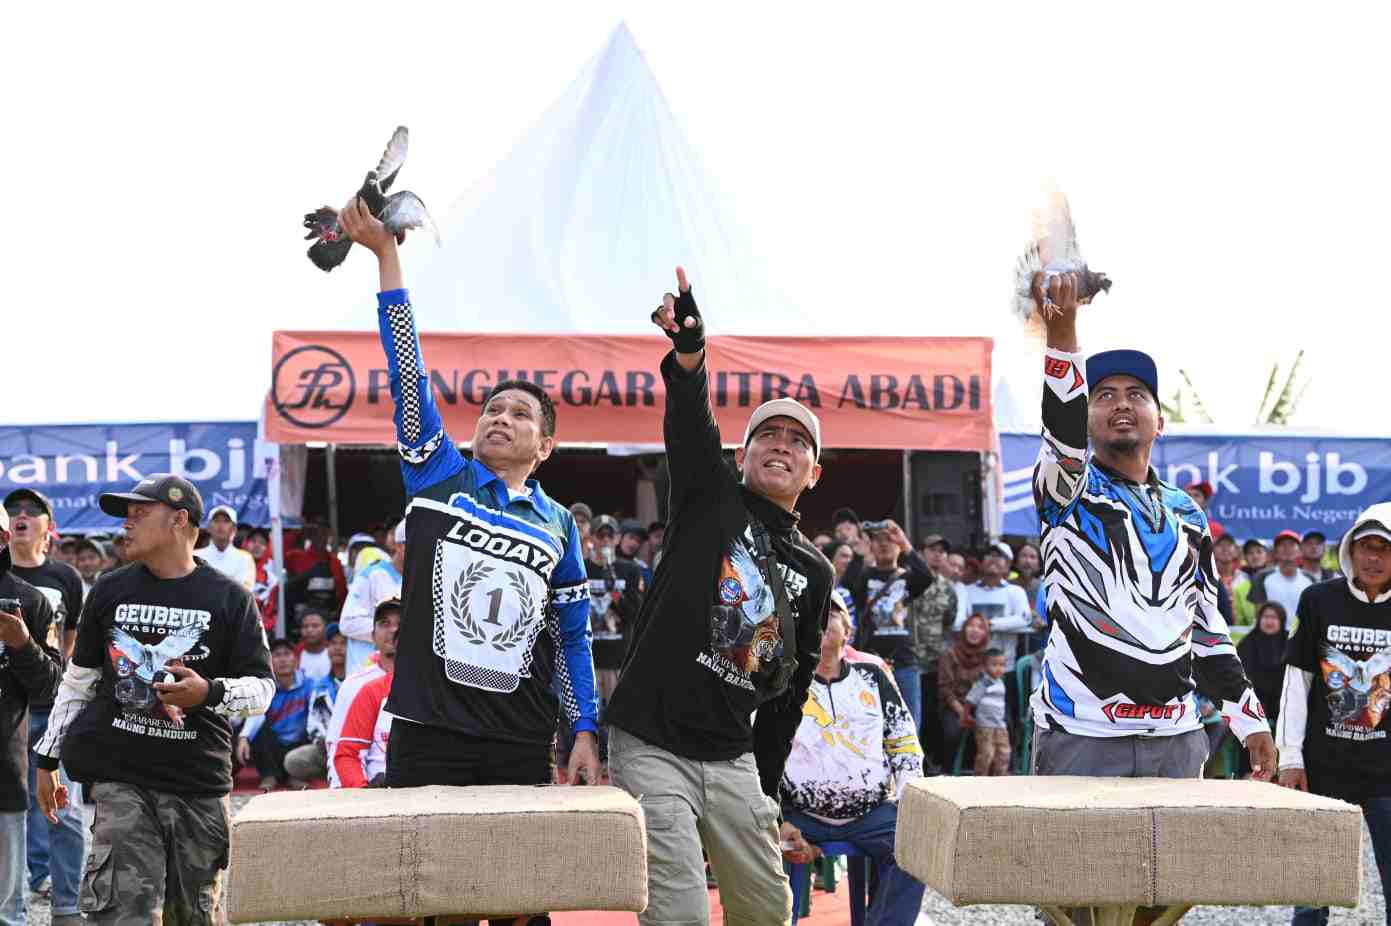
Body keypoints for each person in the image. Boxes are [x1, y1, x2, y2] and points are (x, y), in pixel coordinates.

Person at [339, 198, 601, 807]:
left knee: (517, 874)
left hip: (521, 737)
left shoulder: (559, 525)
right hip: (426, 730)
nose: (500, 418)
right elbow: (408, 375)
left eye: (519, 414)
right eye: (492, 410)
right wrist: (386, 257)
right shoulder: (437, 476)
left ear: (546, 446)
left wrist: (584, 729)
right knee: (426, 873)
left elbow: (572, 637)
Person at [605, 267, 834, 926]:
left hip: (734, 755)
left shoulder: (816, 571)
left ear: (813, 473)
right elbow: (689, 422)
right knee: (679, 914)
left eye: (797, 441)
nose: (781, 446)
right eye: (768, 436)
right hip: (650, 743)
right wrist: (689, 354)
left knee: (767, 911)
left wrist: (766, 787)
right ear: (741, 457)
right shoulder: (709, 500)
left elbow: (790, 691)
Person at [1027, 272, 1275, 781]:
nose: (1121, 403)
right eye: (1104, 395)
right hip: (1081, 734)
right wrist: (1063, 335)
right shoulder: (1066, 492)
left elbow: (1206, 625)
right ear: (1086, 419)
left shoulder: (1188, 513)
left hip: (1178, 738)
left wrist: (1249, 719)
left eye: (1137, 394)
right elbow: (1061, 433)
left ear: (1159, 421)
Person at [33, 474, 274, 923]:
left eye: (139, 513)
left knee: (194, 916)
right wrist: (47, 759)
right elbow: (79, 682)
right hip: (121, 777)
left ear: (179, 520)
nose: (127, 524)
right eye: (126, 515)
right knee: (121, 913)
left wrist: (208, 692)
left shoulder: (231, 598)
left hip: (198, 782)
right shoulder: (109, 589)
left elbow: (262, 690)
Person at [1277, 504, 1391, 926]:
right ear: (1349, 551)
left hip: (1386, 771)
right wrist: (1290, 758)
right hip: (1322, 766)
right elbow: (1296, 682)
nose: (1374, 557)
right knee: (1312, 887)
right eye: (1366, 547)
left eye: (1384, 548)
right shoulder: (1319, 600)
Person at [779, 601, 926, 926]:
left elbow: (904, 744)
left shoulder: (872, 677)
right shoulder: (784, 682)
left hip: (872, 813)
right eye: (816, 614)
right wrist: (778, 819)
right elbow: (762, 756)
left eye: (832, 614)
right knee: (756, 848)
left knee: (916, 849)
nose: (823, 620)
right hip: (799, 816)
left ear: (848, 633)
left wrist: (908, 803)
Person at [4, 489, 85, 921]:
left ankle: (67, 903)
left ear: (48, 526)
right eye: (14, 510)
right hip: (9, 712)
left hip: (53, 707)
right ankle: (33, 879)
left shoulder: (63, 578)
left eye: (32, 510)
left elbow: (69, 641)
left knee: (60, 806)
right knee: (15, 808)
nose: (22, 515)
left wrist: (55, 675)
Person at [0, 505, 63, 926]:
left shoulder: (28, 600)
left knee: (7, 910)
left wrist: (22, 644)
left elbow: (51, 687)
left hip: (4, 770)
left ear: (3, 538)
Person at [850, 519, 934, 729]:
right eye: (878, 540)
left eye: (889, 540)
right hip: (869, 661)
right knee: (871, 724)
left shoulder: (908, 579)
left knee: (909, 725)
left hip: (905, 661)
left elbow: (926, 576)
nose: (884, 544)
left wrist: (905, 543)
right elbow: (848, 583)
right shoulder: (864, 577)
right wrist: (859, 553)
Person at [327, 599, 400, 787]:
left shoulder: (428, 683)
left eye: (400, 623)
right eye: (385, 623)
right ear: (373, 635)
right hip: (371, 789)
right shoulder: (354, 685)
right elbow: (339, 749)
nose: (393, 629)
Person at [237, 639, 314, 790]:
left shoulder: (310, 685)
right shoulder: (265, 686)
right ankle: (269, 775)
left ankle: (296, 775)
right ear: (269, 662)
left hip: (299, 744)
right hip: (273, 746)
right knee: (258, 728)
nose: (283, 659)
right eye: (277, 655)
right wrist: (244, 737)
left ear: (296, 660)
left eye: (287, 654)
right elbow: (256, 715)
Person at [910, 534, 960, 768]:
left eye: (942, 551)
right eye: (933, 550)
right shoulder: (908, 581)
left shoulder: (948, 588)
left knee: (931, 714)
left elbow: (949, 621)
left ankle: (930, 763)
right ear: (922, 553)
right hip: (909, 659)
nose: (938, 555)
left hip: (934, 662)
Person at [586, 518, 644, 707]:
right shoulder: (581, 569)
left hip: (618, 659)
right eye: (600, 535)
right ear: (591, 538)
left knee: (615, 717)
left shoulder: (630, 570)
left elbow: (636, 614)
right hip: (588, 660)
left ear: (617, 539)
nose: (605, 540)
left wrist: (615, 592)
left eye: (610, 535)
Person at [339, 519, 405, 675]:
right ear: (399, 546)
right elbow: (347, 623)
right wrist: (391, 630)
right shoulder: (371, 574)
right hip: (365, 671)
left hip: (398, 672)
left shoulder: (420, 580)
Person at [284, 623, 349, 782]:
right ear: (327, 648)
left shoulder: (358, 680)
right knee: (293, 761)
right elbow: (313, 723)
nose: (338, 648)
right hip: (328, 747)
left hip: (355, 747)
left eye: (343, 643)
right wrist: (325, 741)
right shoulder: (320, 686)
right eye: (333, 643)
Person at [957, 543, 1033, 675]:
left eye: (999, 556)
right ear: (981, 563)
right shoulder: (966, 591)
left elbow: (1024, 618)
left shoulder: (1016, 591)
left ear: (1008, 565)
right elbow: (959, 621)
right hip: (972, 665)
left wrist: (990, 624)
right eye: (989, 555)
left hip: (1005, 666)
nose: (993, 559)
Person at [938, 613, 991, 771]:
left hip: (980, 705)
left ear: (985, 633)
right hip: (954, 705)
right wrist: (963, 712)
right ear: (963, 629)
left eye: (980, 627)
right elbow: (945, 689)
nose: (975, 630)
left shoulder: (988, 656)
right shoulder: (949, 654)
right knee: (953, 732)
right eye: (971, 626)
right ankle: (948, 771)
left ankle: (989, 772)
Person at [333, 663, 394, 788]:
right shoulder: (373, 691)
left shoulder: (436, 691)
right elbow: (348, 755)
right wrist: (363, 791)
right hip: (379, 791)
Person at [1237, 602, 1288, 727]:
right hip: (1255, 698)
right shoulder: (1248, 642)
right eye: (1265, 617)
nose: (1269, 621)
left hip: (1284, 697)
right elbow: (1240, 673)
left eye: (1273, 617)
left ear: (1281, 620)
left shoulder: (1289, 642)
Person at [1250, 530, 1314, 629]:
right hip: (1272, 634)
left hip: (1302, 635)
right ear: (1275, 552)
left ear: (1300, 551)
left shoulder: (1310, 579)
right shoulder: (1262, 577)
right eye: (1282, 545)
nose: (1287, 548)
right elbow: (1259, 613)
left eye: (1291, 544)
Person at [965, 647, 1010, 776]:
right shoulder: (983, 683)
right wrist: (966, 716)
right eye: (994, 665)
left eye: (1002, 665)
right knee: (986, 754)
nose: (998, 668)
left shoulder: (1001, 683)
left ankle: (999, 778)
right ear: (984, 667)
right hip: (985, 726)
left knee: (1004, 753)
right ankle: (980, 778)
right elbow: (970, 700)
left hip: (1000, 725)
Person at [194, 505, 256, 592]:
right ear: (208, 527)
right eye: (216, 521)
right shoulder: (195, 555)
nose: (221, 525)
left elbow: (245, 591)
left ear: (234, 529)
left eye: (226, 521)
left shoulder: (246, 558)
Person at [294, 608, 332, 682]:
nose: (309, 630)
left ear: (325, 628)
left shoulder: (335, 653)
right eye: (305, 626)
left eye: (315, 626)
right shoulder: (295, 655)